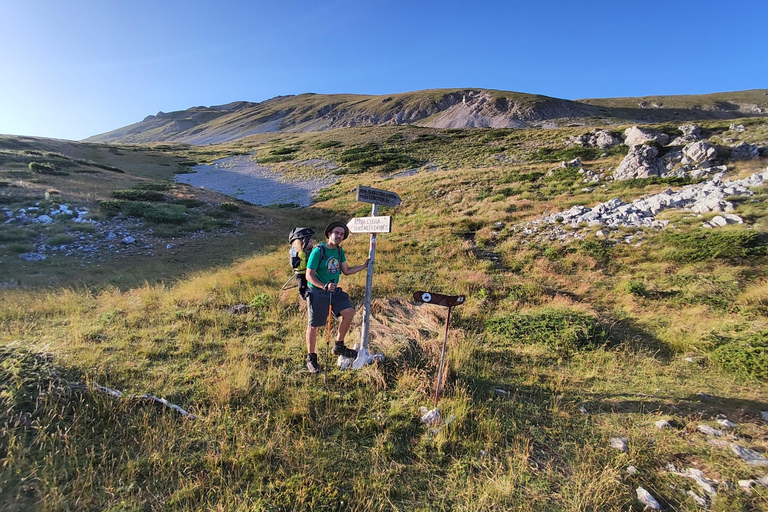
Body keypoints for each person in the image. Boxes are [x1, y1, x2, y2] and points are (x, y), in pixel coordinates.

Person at [304, 220, 369, 374]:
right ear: (329, 234)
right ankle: (311, 358)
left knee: (349, 312)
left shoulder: (339, 252)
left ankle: (338, 346)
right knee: (314, 326)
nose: (339, 236)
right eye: (337, 232)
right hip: (318, 292)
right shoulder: (318, 251)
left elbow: (345, 270)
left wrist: (364, 266)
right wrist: (324, 286)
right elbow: (309, 275)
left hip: (334, 291)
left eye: (342, 234)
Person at [288, 227, 315, 300]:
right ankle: (303, 295)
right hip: (301, 273)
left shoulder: (312, 251)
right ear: (302, 242)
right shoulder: (295, 251)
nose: (311, 242)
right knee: (302, 285)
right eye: (309, 241)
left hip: (310, 272)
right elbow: (293, 264)